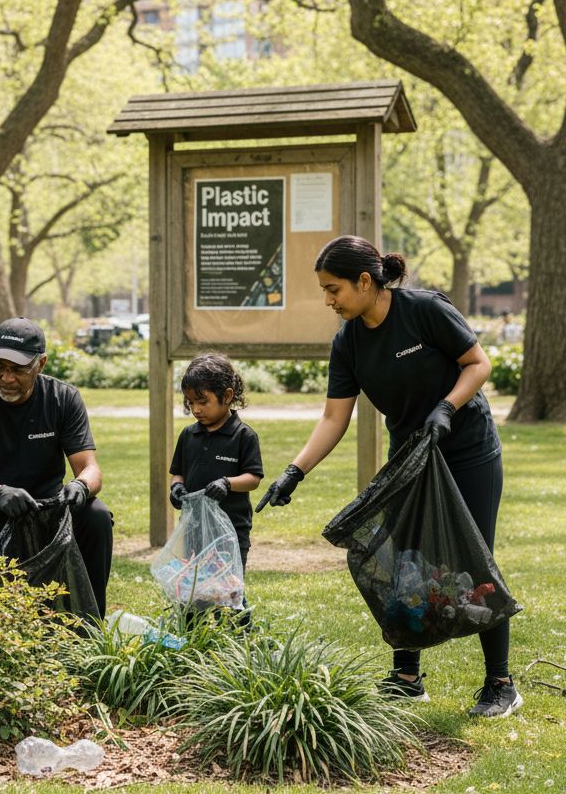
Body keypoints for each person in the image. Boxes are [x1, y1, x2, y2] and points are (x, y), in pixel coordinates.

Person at [259, 235, 517, 718]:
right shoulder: (349, 341)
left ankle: (500, 682)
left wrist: (446, 408)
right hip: (410, 459)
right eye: (323, 291)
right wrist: (294, 472)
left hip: (466, 449)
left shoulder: (424, 310)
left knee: (476, 560)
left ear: (365, 281)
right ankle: (406, 677)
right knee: (406, 561)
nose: (329, 300)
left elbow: (478, 363)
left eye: (333, 289)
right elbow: (334, 418)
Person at [0, 317, 113, 617]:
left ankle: (90, 624)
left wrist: (81, 486)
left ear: (40, 364)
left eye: (18, 369)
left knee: (96, 515)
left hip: (48, 517)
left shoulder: (62, 398)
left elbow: (90, 467)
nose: (6, 378)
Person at [168, 354, 264, 569]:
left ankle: (235, 604)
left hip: (230, 528)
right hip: (194, 526)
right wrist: (176, 487)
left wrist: (227, 483)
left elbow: (253, 478)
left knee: (228, 585)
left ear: (227, 395)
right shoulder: (188, 435)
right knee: (196, 581)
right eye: (190, 402)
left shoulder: (243, 435)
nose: (196, 409)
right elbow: (178, 472)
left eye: (203, 402)